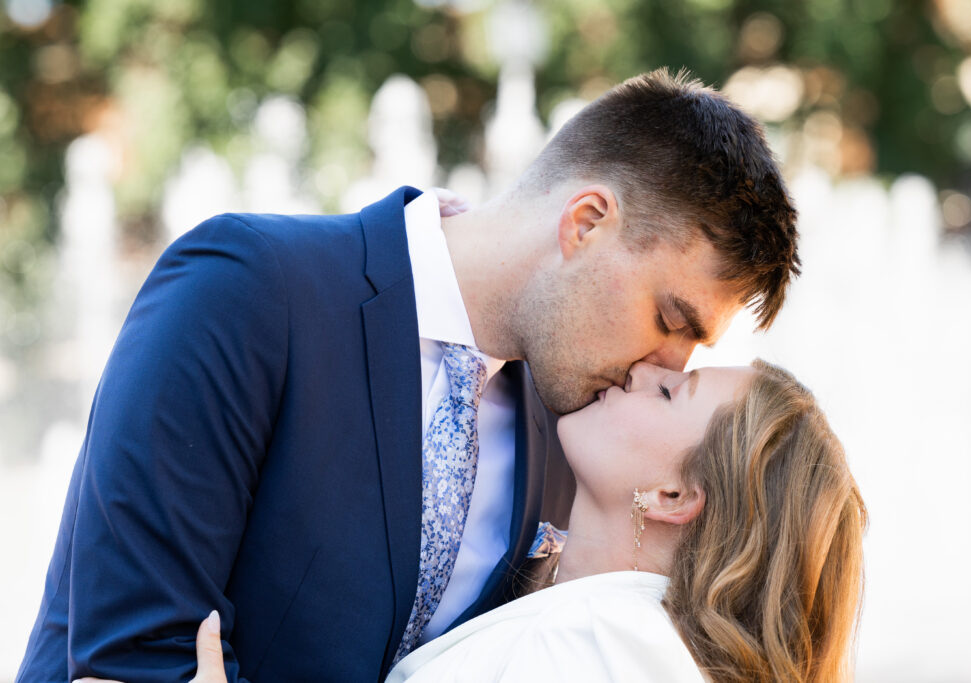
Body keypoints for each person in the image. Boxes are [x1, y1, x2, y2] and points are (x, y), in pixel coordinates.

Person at [19, 69, 799, 682]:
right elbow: (131, 658)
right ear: (587, 221)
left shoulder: (576, 437)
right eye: (671, 319)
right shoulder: (247, 288)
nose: (665, 368)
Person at [80, 359, 865, 683]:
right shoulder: (596, 633)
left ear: (673, 497)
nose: (646, 366)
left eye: (673, 392)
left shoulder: (592, 648)